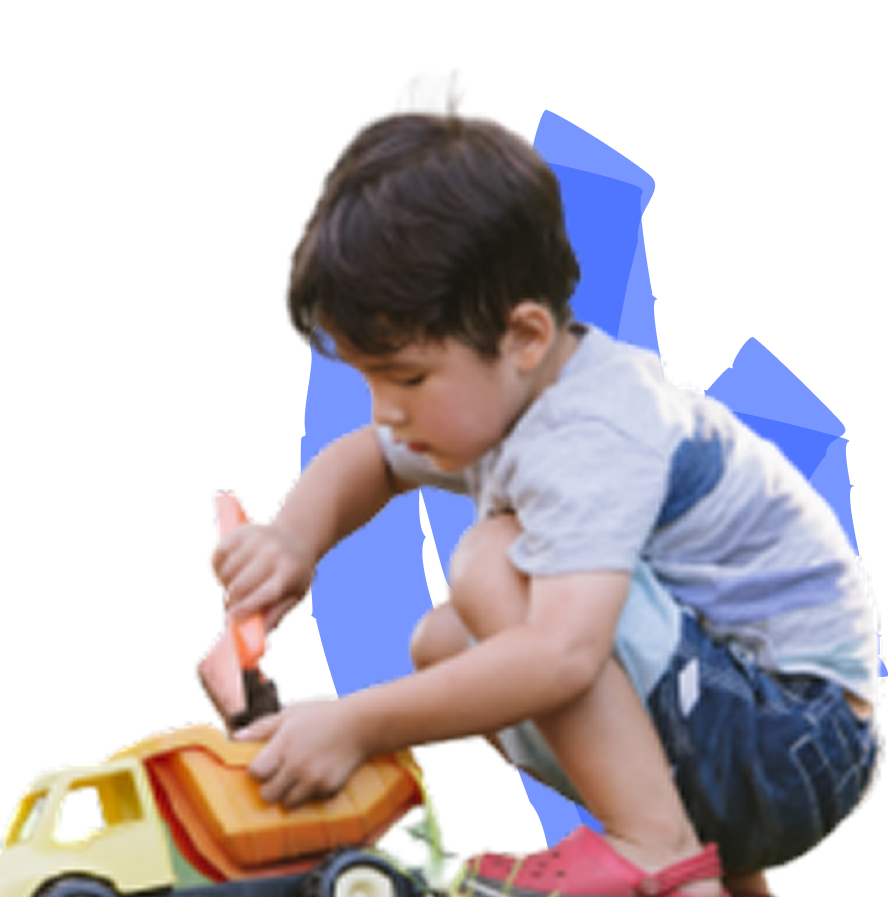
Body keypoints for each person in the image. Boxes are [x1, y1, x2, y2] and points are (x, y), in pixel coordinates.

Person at [207, 99, 884, 897]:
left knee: (493, 562)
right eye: (370, 380)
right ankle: (719, 872)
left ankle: (659, 853)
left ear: (524, 335)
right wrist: (293, 541)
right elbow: (372, 461)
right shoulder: (503, 394)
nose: (386, 410)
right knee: (444, 643)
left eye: (409, 378)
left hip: (800, 738)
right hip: (753, 725)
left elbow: (563, 656)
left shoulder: (592, 426)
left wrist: (354, 723)